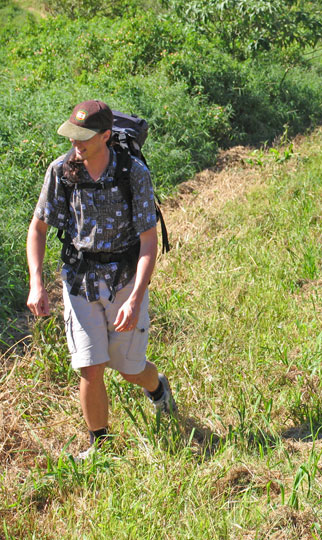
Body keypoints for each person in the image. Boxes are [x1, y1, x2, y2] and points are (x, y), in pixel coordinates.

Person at [26, 100, 176, 460]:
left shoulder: (132, 172)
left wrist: (136, 297)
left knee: (129, 369)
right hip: (80, 282)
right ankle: (100, 445)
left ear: (106, 136)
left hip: (124, 281)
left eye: (84, 138)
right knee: (90, 368)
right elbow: (39, 228)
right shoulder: (62, 171)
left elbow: (148, 240)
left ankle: (158, 388)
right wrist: (36, 282)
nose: (76, 144)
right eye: (72, 136)